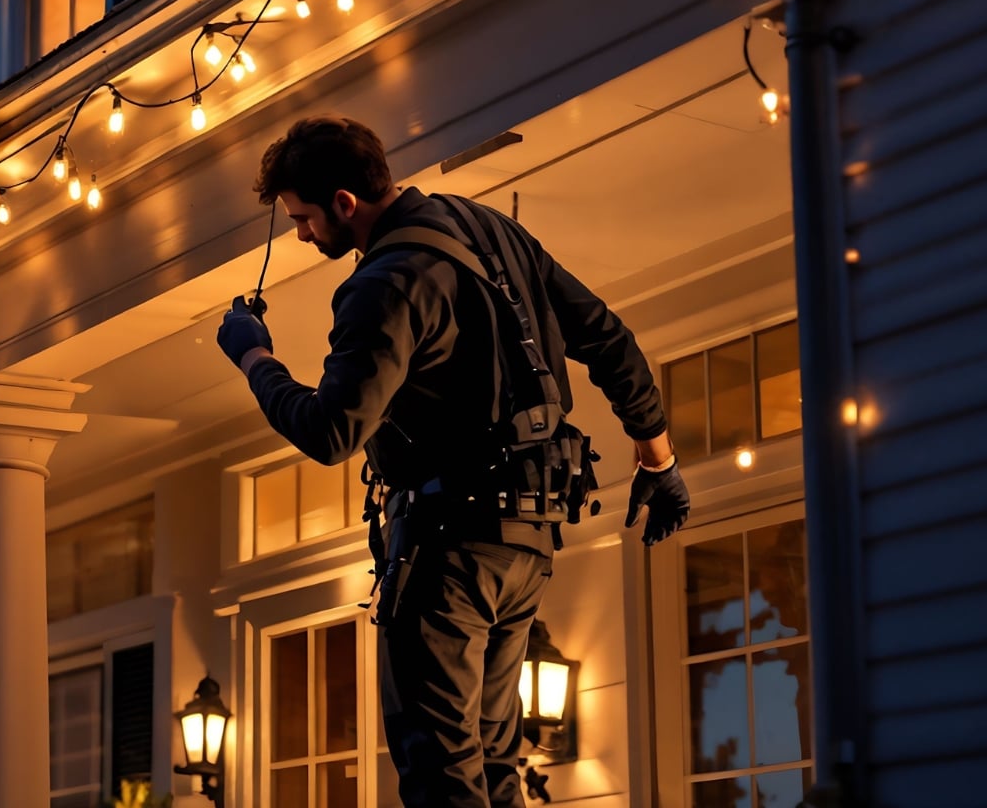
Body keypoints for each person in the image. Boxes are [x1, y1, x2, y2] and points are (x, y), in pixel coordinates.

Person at [214, 116, 689, 807]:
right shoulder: (489, 229)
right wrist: (659, 462)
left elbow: (330, 432)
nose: (303, 234)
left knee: (439, 773)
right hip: (527, 549)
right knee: (495, 770)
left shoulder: (384, 284)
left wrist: (255, 356)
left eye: (304, 217)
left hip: (446, 553)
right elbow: (608, 339)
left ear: (345, 203)